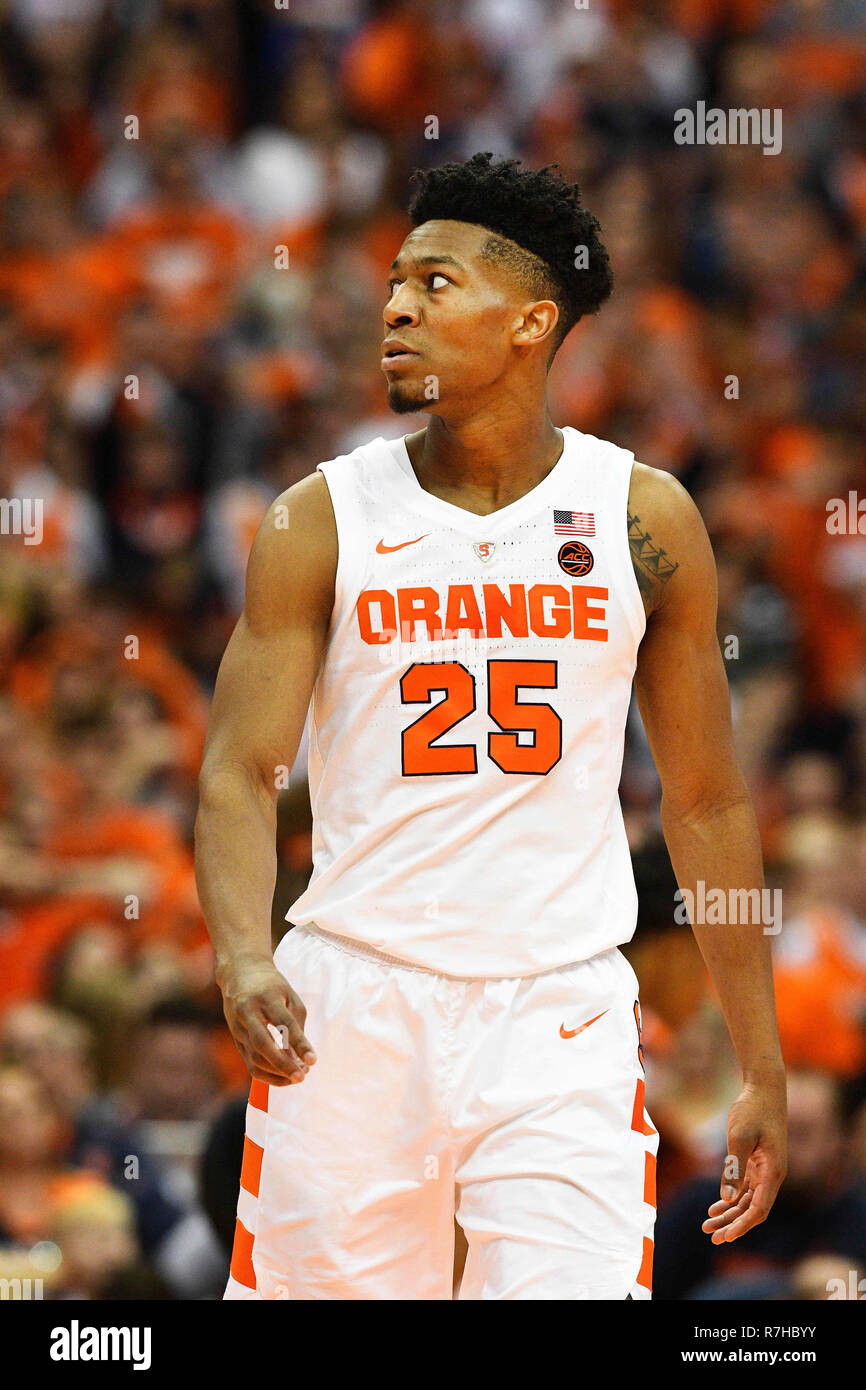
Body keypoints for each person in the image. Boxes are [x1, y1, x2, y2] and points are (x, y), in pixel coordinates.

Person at [194, 153, 787, 1301]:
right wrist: (241, 952)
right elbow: (239, 771)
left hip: (556, 1009)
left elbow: (706, 799)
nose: (396, 306)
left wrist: (758, 1060)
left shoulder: (640, 516)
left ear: (529, 320)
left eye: (434, 281)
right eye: (393, 282)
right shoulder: (317, 518)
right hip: (352, 1003)